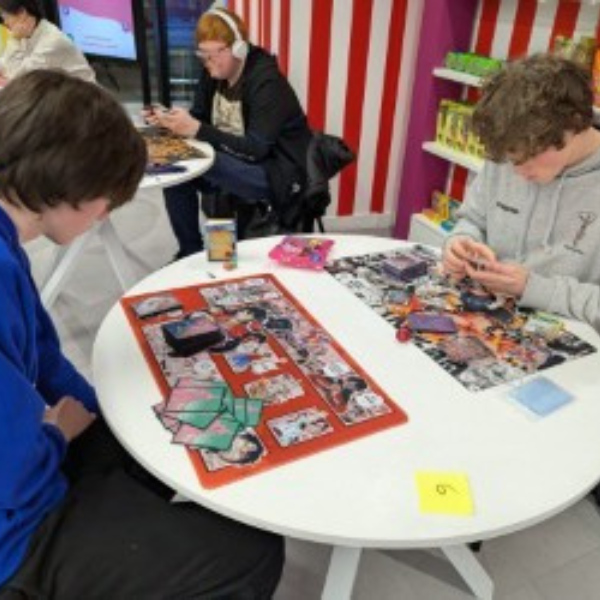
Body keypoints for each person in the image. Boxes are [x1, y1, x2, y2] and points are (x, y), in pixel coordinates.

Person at [0, 71, 283, 599]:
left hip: (27, 467)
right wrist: (58, 436)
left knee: (147, 434)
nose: (106, 215)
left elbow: (44, 355)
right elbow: (15, 475)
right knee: (255, 554)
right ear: (69, 185)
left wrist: (99, 419)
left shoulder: (8, 241)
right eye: (107, 201)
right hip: (15, 541)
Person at [442, 53, 600, 331]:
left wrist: (533, 287)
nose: (516, 173)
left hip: (572, 343)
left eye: (527, 158)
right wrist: (461, 242)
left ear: (574, 124)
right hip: (487, 324)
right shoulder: (511, 144)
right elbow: (473, 219)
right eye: (509, 160)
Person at [144, 7, 311, 259]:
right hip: (234, 157)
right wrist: (171, 121)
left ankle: (219, 251)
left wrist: (198, 129)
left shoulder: (267, 83)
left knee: (209, 163)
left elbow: (256, 149)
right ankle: (190, 252)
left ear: (238, 49)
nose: (207, 62)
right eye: (203, 54)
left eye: (214, 55)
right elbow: (200, 116)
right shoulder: (213, 72)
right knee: (179, 171)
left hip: (275, 171)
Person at [0, 0, 95, 85]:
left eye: (5, 17)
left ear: (22, 13)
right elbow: (6, 64)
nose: (5, 22)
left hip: (83, 96)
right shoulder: (29, 33)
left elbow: (18, 77)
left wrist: (14, 39)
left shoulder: (51, 42)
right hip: (58, 90)